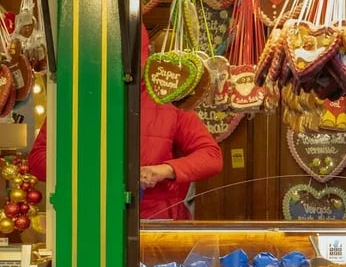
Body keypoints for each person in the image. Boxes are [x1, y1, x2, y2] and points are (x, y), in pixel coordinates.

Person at [27, 29, 223, 220]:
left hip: (154, 223)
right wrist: (86, 171)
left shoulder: (168, 98)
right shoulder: (76, 98)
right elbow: (38, 160)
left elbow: (211, 156)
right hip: (91, 219)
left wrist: (164, 170)